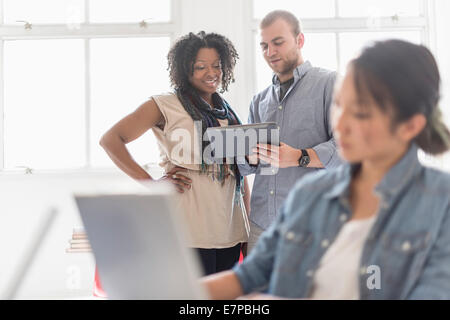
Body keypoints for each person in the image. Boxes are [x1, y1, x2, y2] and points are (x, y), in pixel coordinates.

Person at [202, 39, 450, 299]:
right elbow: (248, 276)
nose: (341, 124)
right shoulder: (310, 194)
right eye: (339, 105)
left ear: (410, 125)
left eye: (361, 112)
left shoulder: (440, 204)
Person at [100, 31, 250, 276]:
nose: (211, 73)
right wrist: (152, 184)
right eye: (200, 66)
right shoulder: (164, 104)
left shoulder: (227, 112)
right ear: (185, 69)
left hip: (229, 232)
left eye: (216, 65)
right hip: (188, 231)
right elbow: (110, 140)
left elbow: (238, 173)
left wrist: (246, 229)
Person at [238, 10, 341, 252]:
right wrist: (247, 156)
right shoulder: (259, 100)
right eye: (263, 45)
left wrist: (298, 156)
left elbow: (349, 148)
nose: (270, 52)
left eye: (278, 42)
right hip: (261, 227)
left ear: (299, 40)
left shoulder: (331, 84)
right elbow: (244, 168)